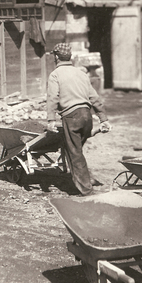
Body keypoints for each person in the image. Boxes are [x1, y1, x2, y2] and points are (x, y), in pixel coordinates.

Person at [46, 43, 111, 197]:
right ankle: (85, 179)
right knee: (76, 149)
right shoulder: (81, 74)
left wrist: (51, 119)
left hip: (72, 117)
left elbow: (52, 98)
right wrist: (103, 119)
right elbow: (94, 97)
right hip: (87, 116)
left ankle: (86, 191)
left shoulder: (55, 75)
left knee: (75, 153)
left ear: (56, 57)